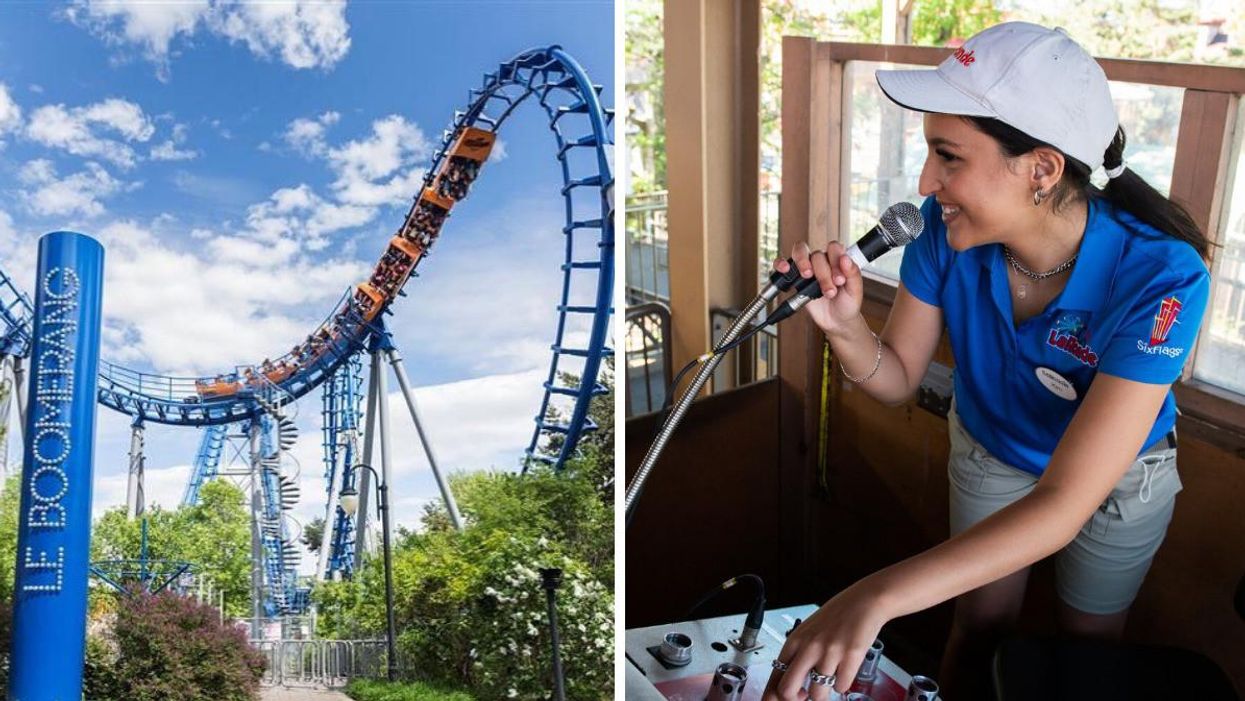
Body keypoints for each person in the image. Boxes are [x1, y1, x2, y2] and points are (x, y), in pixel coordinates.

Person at [762, 22, 1211, 701]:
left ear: (1041, 168)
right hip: (993, 444)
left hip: (1117, 476)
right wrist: (845, 325)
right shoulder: (941, 234)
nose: (924, 182)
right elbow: (896, 380)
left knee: (1086, 647)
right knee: (978, 628)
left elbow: (1064, 503)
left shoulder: (1161, 276)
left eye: (947, 157)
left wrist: (874, 595)